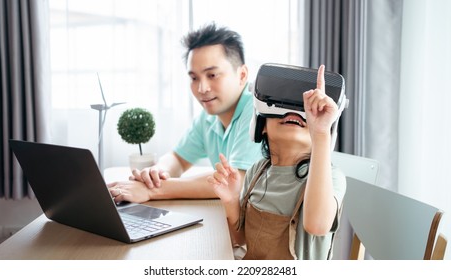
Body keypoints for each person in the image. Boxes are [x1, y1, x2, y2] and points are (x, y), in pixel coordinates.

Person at [108, 23, 262, 203]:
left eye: (212, 75)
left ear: (242, 75)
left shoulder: (256, 110)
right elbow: (179, 158)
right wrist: (157, 172)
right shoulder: (208, 118)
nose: (202, 88)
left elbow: (234, 181)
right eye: (194, 78)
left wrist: (152, 191)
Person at [207, 65, 346, 260]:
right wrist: (231, 200)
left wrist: (321, 132)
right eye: (283, 109)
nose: (293, 113)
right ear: (261, 126)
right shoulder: (257, 172)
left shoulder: (331, 177)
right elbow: (241, 239)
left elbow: (317, 225)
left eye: (304, 115)